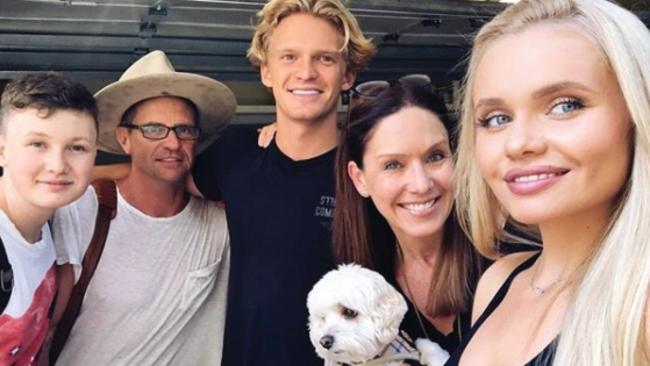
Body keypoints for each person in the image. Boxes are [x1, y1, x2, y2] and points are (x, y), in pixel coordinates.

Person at [448, 0, 650, 364]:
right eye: (495, 118)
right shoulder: (499, 281)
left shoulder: (640, 306)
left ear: (637, 114)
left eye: (565, 105)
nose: (518, 143)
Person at [189, 0, 375, 364]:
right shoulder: (234, 156)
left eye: (324, 58)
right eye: (289, 56)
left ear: (347, 74)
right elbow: (157, 185)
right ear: (266, 71)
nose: (305, 72)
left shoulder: (369, 170)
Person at [51, 50, 235, 365]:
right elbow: (43, 326)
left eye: (184, 130)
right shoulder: (83, 211)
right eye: (153, 129)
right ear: (124, 139)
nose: (173, 143)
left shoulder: (222, 223)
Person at [333, 77, 484, 354]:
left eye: (435, 156)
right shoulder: (361, 287)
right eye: (393, 165)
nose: (421, 184)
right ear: (359, 179)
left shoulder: (507, 260)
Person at [0, 73, 98, 365]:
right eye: (37, 144)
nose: (57, 166)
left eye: (77, 147)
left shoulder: (48, 227)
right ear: (2, 150)